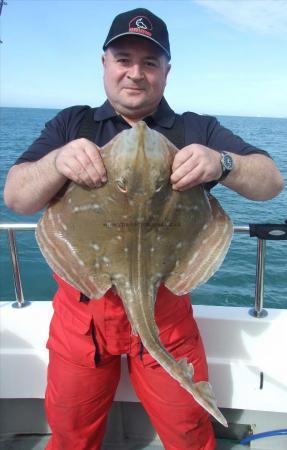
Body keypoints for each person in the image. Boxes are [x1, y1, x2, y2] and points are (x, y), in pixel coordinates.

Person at [4, 7, 284, 450]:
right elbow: (17, 198)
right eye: (124, 59)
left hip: (166, 311)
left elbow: (271, 181)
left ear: (166, 72)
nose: (135, 73)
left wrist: (221, 161)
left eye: (150, 62)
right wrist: (57, 161)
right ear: (105, 64)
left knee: (189, 434)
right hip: (83, 317)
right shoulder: (72, 124)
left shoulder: (196, 128)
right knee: (71, 435)